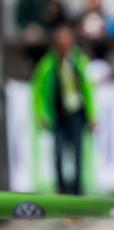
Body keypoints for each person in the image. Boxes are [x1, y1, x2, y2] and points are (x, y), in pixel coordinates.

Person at [32, 24, 96, 195]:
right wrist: (42, 114)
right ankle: (62, 191)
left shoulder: (79, 62)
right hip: (58, 115)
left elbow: (88, 90)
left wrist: (92, 114)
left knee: (78, 157)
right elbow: (40, 92)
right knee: (58, 156)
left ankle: (78, 195)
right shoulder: (47, 65)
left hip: (76, 114)